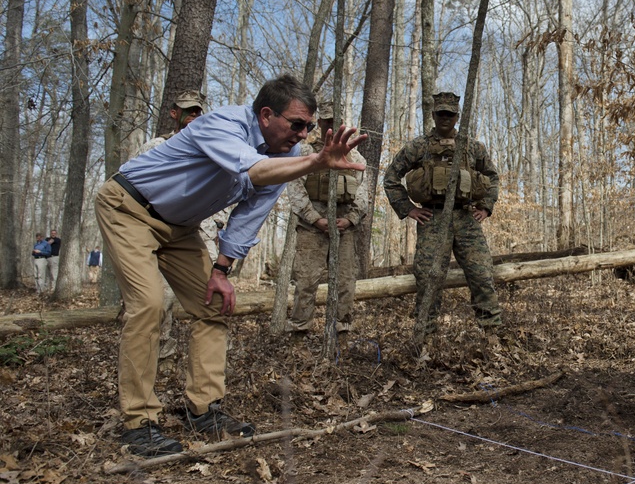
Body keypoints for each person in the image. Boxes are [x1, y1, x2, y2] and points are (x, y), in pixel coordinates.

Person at [95, 74, 366, 457]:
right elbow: (252, 171)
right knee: (151, 305)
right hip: (130, 208)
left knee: (213, 305)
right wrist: (316, 162)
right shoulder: (222, 124)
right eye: (297, 124)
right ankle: (137, 424)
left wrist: (220, 270)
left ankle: (203, 410)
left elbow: (249, 214)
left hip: (180, 227)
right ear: (267, 115)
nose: (304, 134)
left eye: (308, 126)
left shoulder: (287, 156)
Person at [382, 91, 502, 344]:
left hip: (466, 219)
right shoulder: (419, 146)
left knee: (482, 274)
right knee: (428, 277)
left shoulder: (472, 147)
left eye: (450, 114)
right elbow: (391, 178)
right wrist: (409, 209)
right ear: (434, 115)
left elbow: (492, 177)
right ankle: (425, 337)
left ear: (457, 116)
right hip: (433, 219)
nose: (446, 118)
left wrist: (486, 207)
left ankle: (492, 333)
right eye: (441, 114)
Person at [131, 90, 220, 373]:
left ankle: (208, 372)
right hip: (156, 233)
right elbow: (132, 186)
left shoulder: (212, 150)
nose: (193, 116)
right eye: (188, 111)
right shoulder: (154, 147)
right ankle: (161, 361)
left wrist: (218, 223)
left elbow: (224, 189)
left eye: (198, 112)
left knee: (212, 300)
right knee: (159, 301)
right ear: (174, 114)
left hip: (199, 234)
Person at [285, 112, 369, 340]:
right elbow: (295, 189)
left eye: (336, 120)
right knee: (306, 280)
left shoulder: (356, 158)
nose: (331, 125)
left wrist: (351, 218)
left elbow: (363, 194)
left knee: (345, 281)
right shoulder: (305, 152)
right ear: (319, 123)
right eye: (327, 120)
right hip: (312, 228)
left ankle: (341, 330)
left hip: (345, 228)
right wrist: (315, 218)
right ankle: (300, 330)